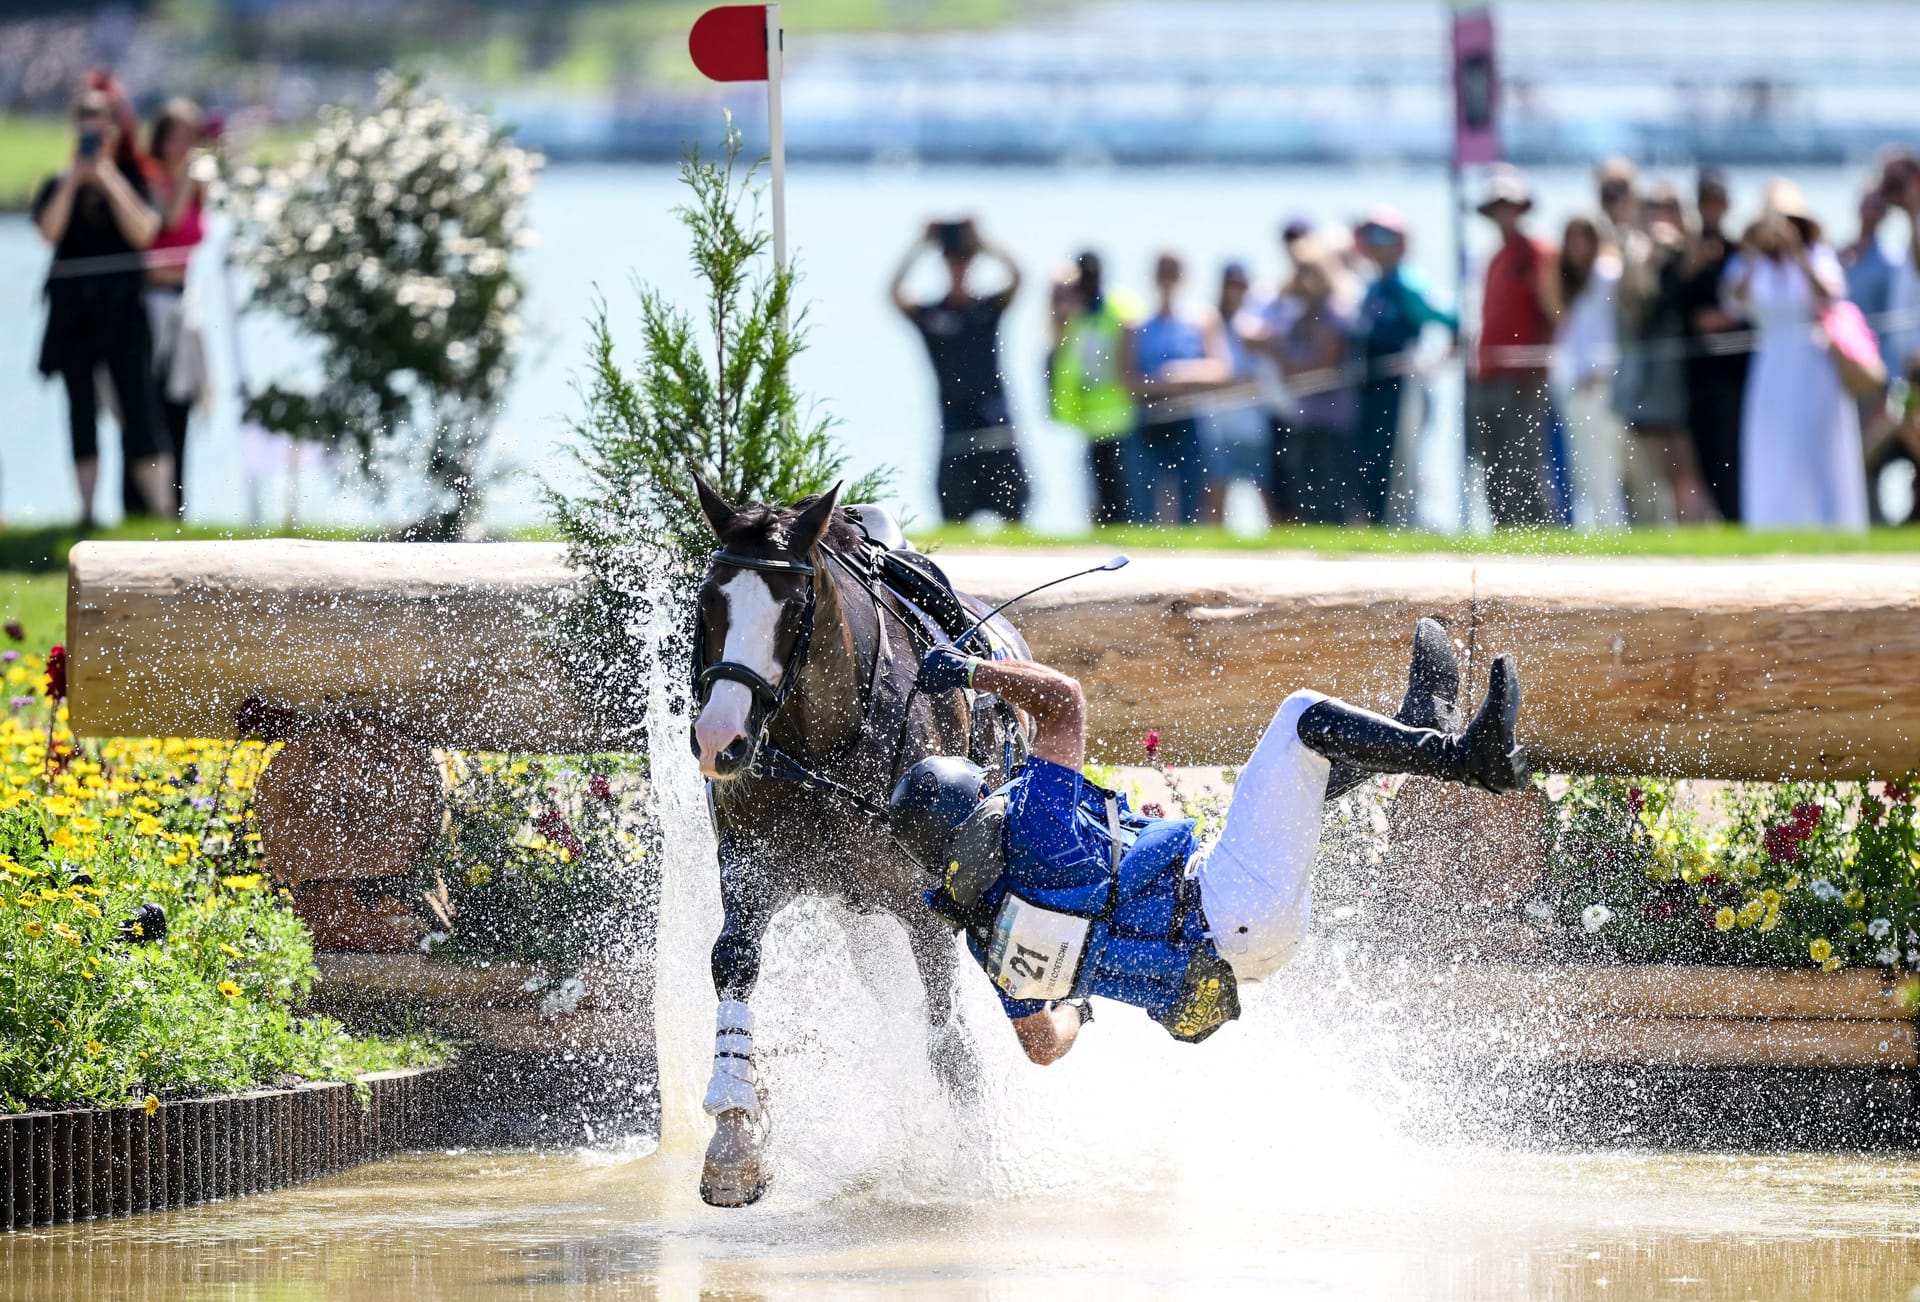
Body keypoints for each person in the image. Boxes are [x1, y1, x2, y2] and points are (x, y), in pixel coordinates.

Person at [886, 620, 1528, 1060]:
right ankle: (1465, 756)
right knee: (1301, 717)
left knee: (1286, 778)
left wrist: (1078, 1007)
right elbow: (1064, 701)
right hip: (1231, 901)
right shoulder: (1033, 822)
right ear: (973, 799)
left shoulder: (990, 940)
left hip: (1241, 960)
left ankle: (1414, 731)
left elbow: (1042, 1048)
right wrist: (975, 672)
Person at [33, 73, 175, 525]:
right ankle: (87, 512)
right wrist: (76, 180)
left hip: (123, 313)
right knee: (79, 410)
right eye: (85, 120)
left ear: (116, 127)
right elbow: (48, 231)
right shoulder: (59, 182)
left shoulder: (134, 178)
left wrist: (108, 177)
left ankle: (162, 515)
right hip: (73, 313)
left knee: (140, 404)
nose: (92, 129)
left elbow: (146, 232)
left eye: (101, 120)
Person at [1724, 180, 1870, 530]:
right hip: (1771, 360)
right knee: (1773, 441)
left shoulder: (1817, 255)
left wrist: (1797, 255)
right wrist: (1756, 252)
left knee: (1817, 439)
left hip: (1813, 360)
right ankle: (1775, 520)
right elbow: (1733, 303)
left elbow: (1831, 295)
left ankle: (1829, 518)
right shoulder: (1750, 263)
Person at [1613, 182, 1716, 524]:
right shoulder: (1641, 255)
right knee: (1657, 467)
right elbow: (1639, 308)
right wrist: (1641, 259)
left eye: (1667, 206)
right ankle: (1674, 528)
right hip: (1655, 377)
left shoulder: (1693, 251)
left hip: (1692, 376)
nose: (1660, 215)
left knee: (1687, 465)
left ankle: (1697, 526)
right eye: (1653, 207)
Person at [1350, 207, 1458, 526]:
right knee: (1371, 461)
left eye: (1383, 235)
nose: (1375, 243)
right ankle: (1379, 522)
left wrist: (1444, 354)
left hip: (1403, 391)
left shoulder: (1409, 284)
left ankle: (1403, 524)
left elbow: (1451, 318)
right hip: (1373, 391)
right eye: (1370, 235)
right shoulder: (1374, 286)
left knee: (1400, 461)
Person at [1470, 166, 1560, 527]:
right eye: (1497, 204)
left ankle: (1539, 536)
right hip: (1489, 375)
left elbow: (1552, 313)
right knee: (1492, 465)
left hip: (1522, 377)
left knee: (1524, 463)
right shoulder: (1496, 258)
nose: (1503, 211)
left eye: (1509, 203)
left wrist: (1539, 363)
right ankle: (1504, 532)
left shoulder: (1538, 252)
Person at [145, 97, 212, 521]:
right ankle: (149, 503)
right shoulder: (152, 179)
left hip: (183, 300)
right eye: (177, 134)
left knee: (181, 402)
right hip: (150, 301)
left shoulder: (198, 184)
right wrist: (188, 181)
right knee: (149, 406)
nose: (184, 143)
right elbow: (166, 224)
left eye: (191, 135)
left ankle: (177, 505)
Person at [1123, 251, 1223, 525]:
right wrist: (1161, 384)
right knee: (1142, 506)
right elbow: (1126, 379)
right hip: (1147, 421)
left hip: (1188, 420)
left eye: (1172, 270)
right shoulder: (1136, 325)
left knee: (1190, 507)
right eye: (1162, 270)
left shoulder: (1202, 320)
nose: (1167, 277)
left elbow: (1219, 369)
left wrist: (1181, 375)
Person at [1265, 246, 1358, 523]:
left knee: (1332, 493)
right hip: (1304, 416)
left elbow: (1324, 365)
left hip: (1333, 419)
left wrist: (1289, 364)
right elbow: (1287, 369)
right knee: (1306, 492)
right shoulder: (1298, 319)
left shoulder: (1334, 314)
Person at [1679, 170, 1750, 523]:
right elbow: (1666, 307)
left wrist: (1727, 319)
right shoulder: (1685, 253)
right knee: (1705, 458)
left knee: (1732, 455)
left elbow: (1755, 310)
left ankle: (1736, 519)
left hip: (1734, 375)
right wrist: (1690, 269)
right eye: (1706, 201)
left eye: (1717, 201)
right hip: (1697, 376)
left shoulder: (1740, 252)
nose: (1712, 209)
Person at [1550, 216, 1629, 527]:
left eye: (1584, 237)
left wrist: (1602, 367)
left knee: (1604, 468)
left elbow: (1613, 329)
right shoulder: (1572, 281)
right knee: (1584, 469)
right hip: (1574, 385)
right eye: (1572, 237)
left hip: (1600, 384)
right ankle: (1600, 530)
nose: (1578, 245)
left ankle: (1612, 532)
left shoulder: (1605, 274)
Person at [1049, 251, 1138, 524]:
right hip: (1089, 422)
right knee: (1098, 500)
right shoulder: (1074, 314)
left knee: (1124, 499)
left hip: (1122, 421)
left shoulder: (1119, 308)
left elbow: (1129, 364)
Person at [1196, 262, 1274, 525]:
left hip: (1255, 426)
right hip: (1218, 426)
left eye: (1241, 285)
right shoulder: (1211, 322)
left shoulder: (1259, 322)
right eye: (1231, 284)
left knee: (1268, 497)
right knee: (1216, 498)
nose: (1235, 291)